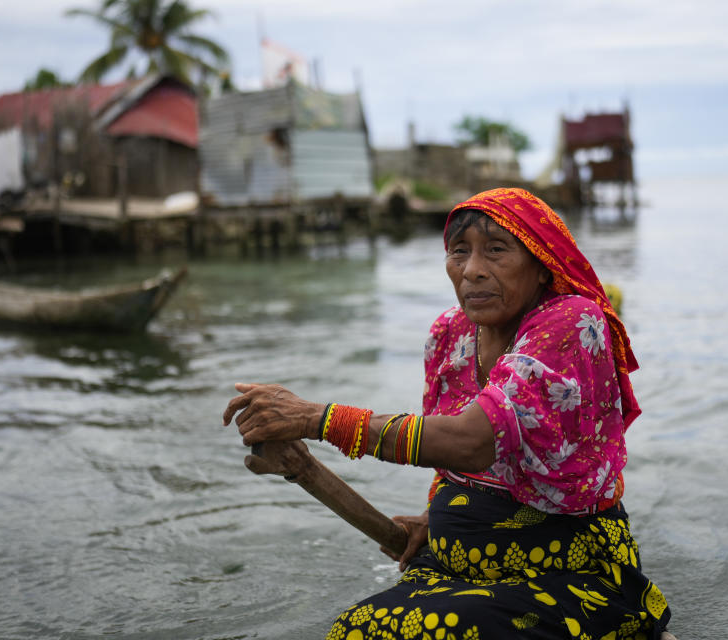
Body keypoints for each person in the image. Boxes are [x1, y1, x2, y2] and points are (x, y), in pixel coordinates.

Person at [224, 188, 673, 639]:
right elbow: (449, 455)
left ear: (541, 265)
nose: (472, 270)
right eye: (460, 251)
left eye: (496, 250)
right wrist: (432, 518)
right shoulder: (451, 332)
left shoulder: (571, 321)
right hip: (451, 568)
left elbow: (471, 441)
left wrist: (317, 418)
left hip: (566, 577)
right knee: (351, 630)